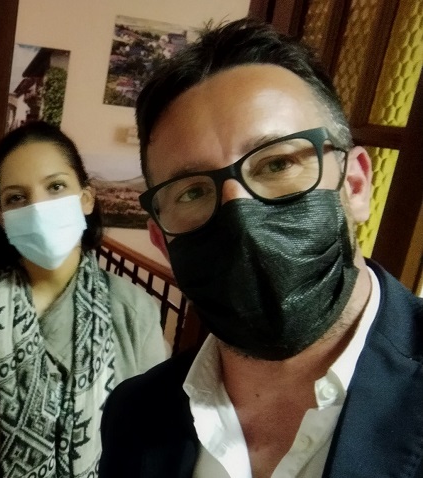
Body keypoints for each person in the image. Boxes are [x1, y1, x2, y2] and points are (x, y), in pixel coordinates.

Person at [99, 18, 423, 478]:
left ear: (354, 184)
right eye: (192, 191)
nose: (241, 215)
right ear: (162, 242)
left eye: (276, 164)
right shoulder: (134, 414)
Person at [0, 121, 169, 478]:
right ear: (1, 217)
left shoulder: (134, 311)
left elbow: (153, 440)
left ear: (86, 198)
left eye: (55, 187)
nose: (38, 208)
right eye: (17, 198)